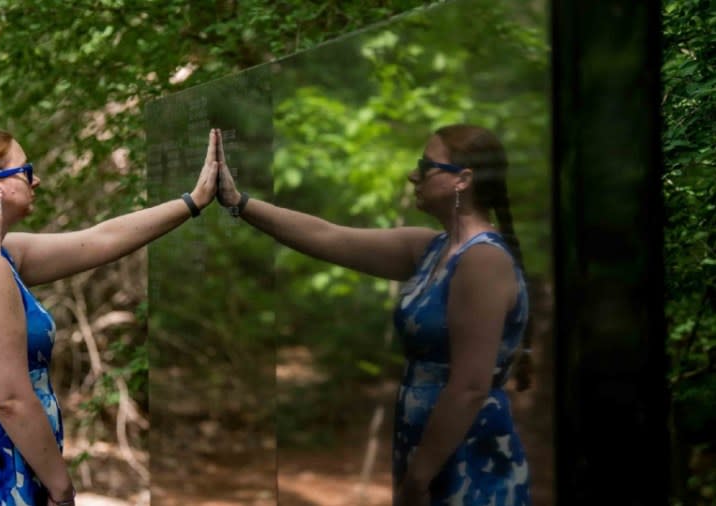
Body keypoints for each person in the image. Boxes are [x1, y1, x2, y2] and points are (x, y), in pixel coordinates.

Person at [214, 124, 533, 505]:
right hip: (433, 452)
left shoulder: (482, 259)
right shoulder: (430, 249)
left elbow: (470, 388)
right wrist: (236, 200)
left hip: (466, 456)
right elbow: (327, 236)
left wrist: (419, 477)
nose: (413, 175)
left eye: (425, 165)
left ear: (463, 180)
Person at [0, 128, 220, 505]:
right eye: (26, 170)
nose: (36, 179)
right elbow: (10, 399)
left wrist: (194, 201)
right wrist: (61, 486)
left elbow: (100, 239)